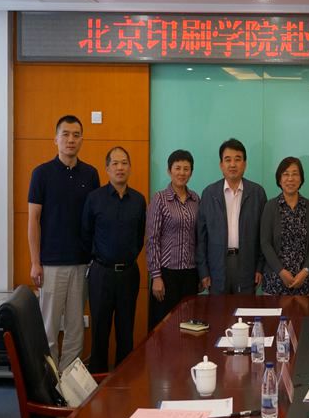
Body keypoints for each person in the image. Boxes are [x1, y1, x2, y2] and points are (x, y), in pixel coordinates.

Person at [27, 115, 100, 368]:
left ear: (82, 140)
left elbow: (95, 219)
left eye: (76, 135)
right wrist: (35, 262)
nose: (71, 139)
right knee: (48, 328)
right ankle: (49, 382)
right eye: (65, 134)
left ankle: (68, 384)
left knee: (75, 329)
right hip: (50, 264)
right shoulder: (41, 173)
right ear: (55, 139)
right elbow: (33, 219)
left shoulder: (91, 174)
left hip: (81, 264)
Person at [82, 147, 146, 372]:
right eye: (115, 163)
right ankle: (99, 381)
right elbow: (86, 233)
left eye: (124, 163)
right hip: (101, 274)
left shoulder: (138, 200)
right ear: (107, 168)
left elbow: (139, 237)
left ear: (130, 167)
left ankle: (123, 381)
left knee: (126, 332)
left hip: (129, 273)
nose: (120, 168)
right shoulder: (94, 199)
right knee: (100, 332)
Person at [197, 138, 267, 294]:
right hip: (216, 265)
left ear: (245, 164)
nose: (233, 164)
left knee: (245, 307)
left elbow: (263, 235)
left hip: (247, 264)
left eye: (238, 159)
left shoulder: (257, 193)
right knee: (218, 308)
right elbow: (201, 237)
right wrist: (203, 270)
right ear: (221, 165)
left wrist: (260, 267)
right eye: (228, 160)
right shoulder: (209, 194)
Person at [146, 149, 199, 330]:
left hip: (190, 273)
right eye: (177, 168)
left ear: (191, 172)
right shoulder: (160, 199)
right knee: (165, 327)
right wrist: (156, 276)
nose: (182, 173)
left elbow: (199, 238)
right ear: (169, 171)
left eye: (186, 169)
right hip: (166, 274)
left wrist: (200, 274)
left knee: (189, 326)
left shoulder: (195, 199)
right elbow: (152, 239)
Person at [260, 157, 309, 295]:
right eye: (286, 174)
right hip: (274, 282)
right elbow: (265, 243)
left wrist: (305, 271)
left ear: (301, 179)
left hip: (302, 282)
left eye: (295, 174)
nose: (290, 178)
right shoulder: (270, 206)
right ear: (279, 179)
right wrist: (281, 271)